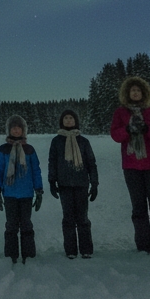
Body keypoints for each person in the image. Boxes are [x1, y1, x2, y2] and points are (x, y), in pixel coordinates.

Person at [109, 75, 150, 257]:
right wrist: (127, 130)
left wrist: (147, 130)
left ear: (144, 93)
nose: (135, 93)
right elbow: (115, 135)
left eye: (138, 90)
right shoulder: (121, 113)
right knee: (138, 208)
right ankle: (144, 246)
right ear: (127, 93)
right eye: (132, 90)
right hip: (131, 167)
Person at [48, 108, 99, 259]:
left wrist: (94, 184)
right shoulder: (56, 141)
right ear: (62, 122)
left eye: (71, 118)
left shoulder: (83, 141)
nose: (68, 121)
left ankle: (86, 249)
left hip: (81, 184)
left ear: (76, 121)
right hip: (64, 185)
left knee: (82, 218)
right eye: (66, 118)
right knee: (68, 218)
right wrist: (52, 181)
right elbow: (52, 162)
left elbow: (91, 163)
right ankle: (70, 250)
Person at [0, 114, 44, 264]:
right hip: (9, 194)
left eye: (19, 128)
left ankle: (28, 254)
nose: (16, 131)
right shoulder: (3, 149)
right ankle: (11, 255)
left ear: (23, 130)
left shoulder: (29, 149)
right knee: (11, 225)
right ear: (9, 130)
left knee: (26, 224)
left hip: (26, 194)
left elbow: (36, 170)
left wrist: (39, 190)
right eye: (13, 128)